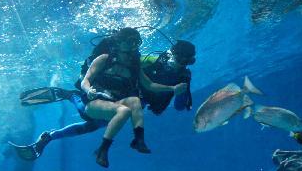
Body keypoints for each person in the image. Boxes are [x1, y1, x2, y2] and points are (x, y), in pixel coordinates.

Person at [15, 39, 196, 162]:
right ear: (170, 53)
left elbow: (180, 107)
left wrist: (181, 91)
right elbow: (128, 67)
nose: (180, 64)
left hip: (135, 105)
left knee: (94, 125)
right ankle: (70, 95)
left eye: (187, 61)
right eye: (178, 58)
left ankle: (50, 136)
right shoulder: (152, 60)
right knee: (91, 119)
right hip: (122, 96)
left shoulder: (184, 76)